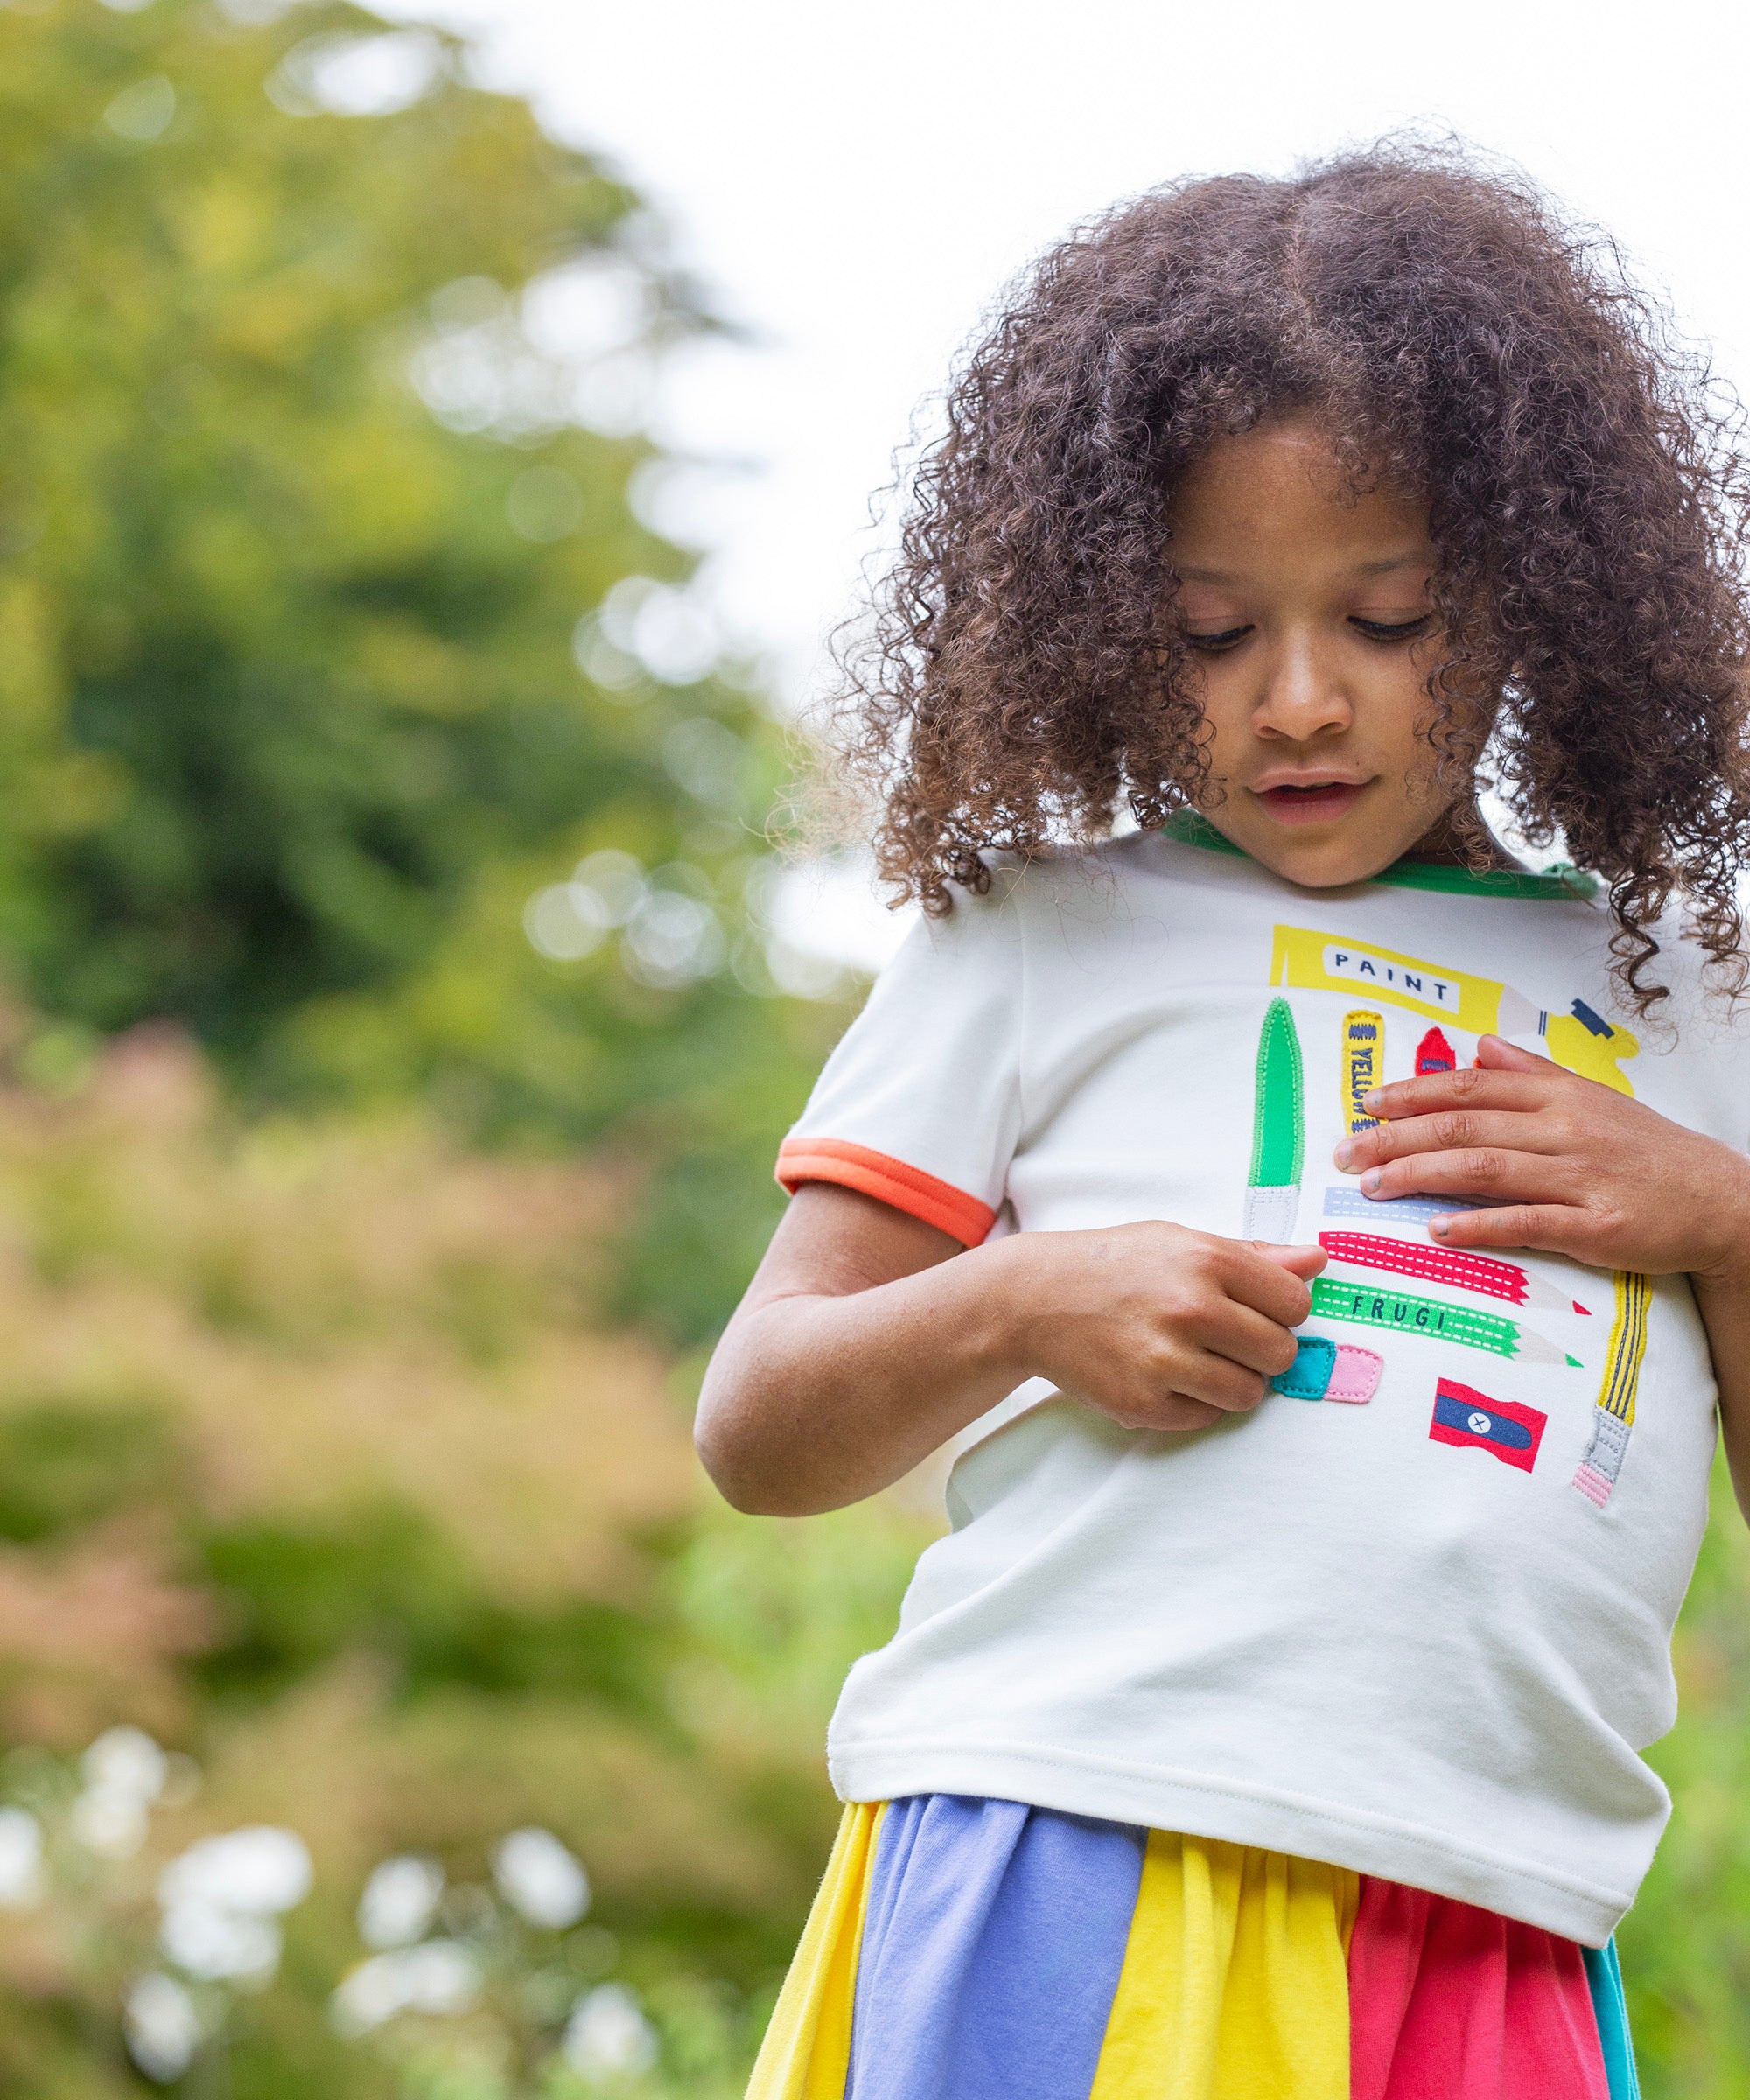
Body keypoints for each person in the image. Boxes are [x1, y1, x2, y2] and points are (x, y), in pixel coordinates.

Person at [698, 143, 1750, 2099]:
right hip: (1063, 1845)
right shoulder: (1034, 939)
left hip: (1493, 1918)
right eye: (1207, 632)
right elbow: (759, 1425)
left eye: (1390, 619)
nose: (1294, 701)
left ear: (1538, 593)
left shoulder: (1693, 991)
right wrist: (1018, 1309)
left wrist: (1726, 1218)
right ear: (1102, 617)